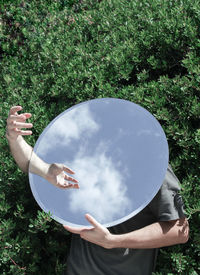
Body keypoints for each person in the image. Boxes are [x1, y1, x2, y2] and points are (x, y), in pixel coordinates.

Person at [6, 105, 189, 275]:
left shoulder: (154, 167)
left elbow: (179, 230)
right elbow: (31, 164)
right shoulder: (90, 161)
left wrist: (113, 241)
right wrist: (15, 139)